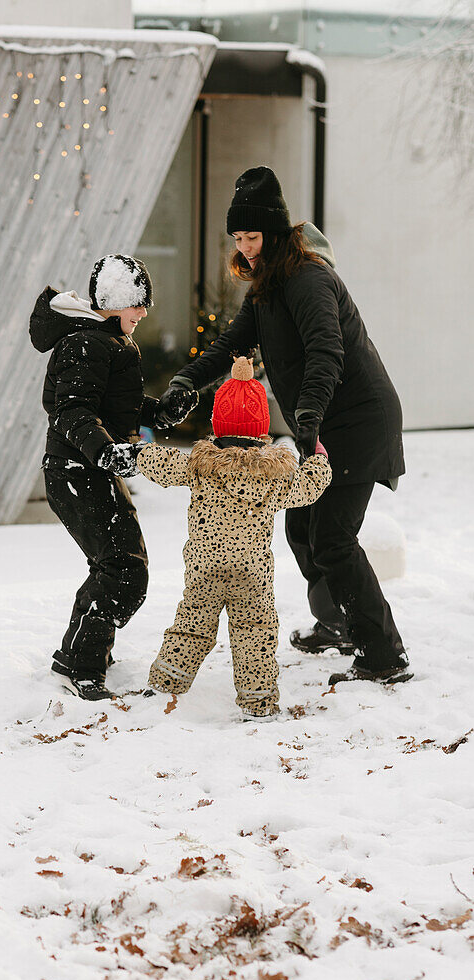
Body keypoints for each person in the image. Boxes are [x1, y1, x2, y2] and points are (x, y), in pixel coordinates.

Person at [156, 166, 411, 686]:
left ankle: (384, 655)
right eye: (238, 238)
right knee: (301, 526)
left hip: (358, 421)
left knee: (333, 538)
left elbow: (326, 349)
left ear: (273, 233)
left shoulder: (309, 278)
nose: (245, 247)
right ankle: (338, 622)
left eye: (251, 236)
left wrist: (309, 414)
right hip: (324, 422)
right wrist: (186, 382)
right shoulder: (267, 288)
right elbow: (231, 345)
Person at [138, 356, 331, 719]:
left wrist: (137, 450)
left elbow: (162, 465)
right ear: (262, 430)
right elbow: (309, 487)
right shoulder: (275, 476)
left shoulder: (200, 464)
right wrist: (318, 456)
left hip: (204, 570)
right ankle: (258, 702)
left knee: (191, 627)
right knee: (255, 634)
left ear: (217, 424)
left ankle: (164, 685)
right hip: (252, 575)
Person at [29, 254, 158, 701]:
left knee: (121, 566)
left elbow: (117, 407)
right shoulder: (85, 344)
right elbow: (71, 410)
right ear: (116, 301)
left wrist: (162, 411)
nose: (144, 312)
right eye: (138, 303)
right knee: (123, 570)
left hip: (91, 471)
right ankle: (78, 663)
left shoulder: (108, 342)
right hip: (75, 472)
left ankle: (85, 653)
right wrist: (105, 451)